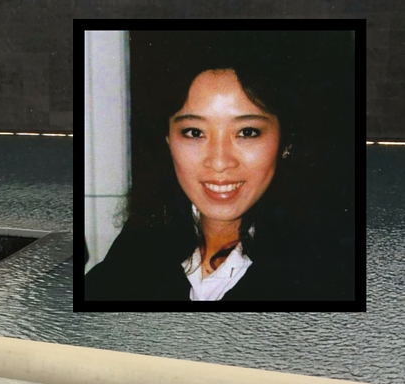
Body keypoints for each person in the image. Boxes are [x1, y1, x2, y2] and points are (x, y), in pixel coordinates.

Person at [85, 44, 354, 302]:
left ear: (285, 142)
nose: (219, 162)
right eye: (194, 132)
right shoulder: (142, 238)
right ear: (169, 140)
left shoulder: (327, 266)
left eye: (247, 132)